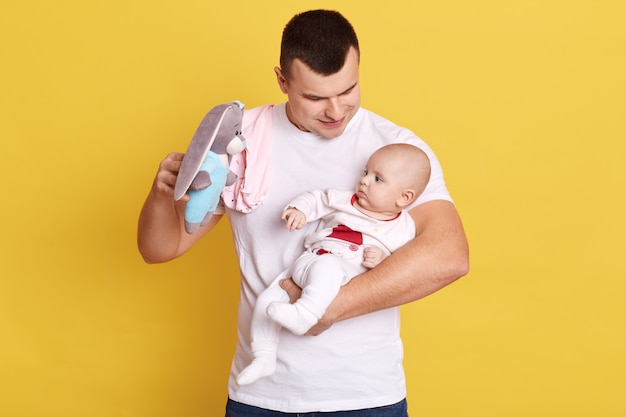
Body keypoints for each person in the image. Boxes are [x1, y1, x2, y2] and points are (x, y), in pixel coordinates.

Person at [138, 9, 469, 417]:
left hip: (366, 397)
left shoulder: (397, 151)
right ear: (282, 80)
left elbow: (449, 255)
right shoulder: (242, 140)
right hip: (261, 395)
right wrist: (159, 196)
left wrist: (329, 308)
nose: (335, 110)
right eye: (314, 97)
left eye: (348, 90)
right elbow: (160, 248)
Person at [236, 143, 432, 386]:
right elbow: (316, 199)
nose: (364, 181)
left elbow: (402, 265)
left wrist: (382, 258)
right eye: (365, 172)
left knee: (327, 268)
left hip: (340, 271)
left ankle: (306, 313)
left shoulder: (401, 228)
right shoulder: (344, 200)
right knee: (266, 300)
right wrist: (300, 210)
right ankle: (263, 356)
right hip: (307, 260)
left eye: (378, 179)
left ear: (404, 197)